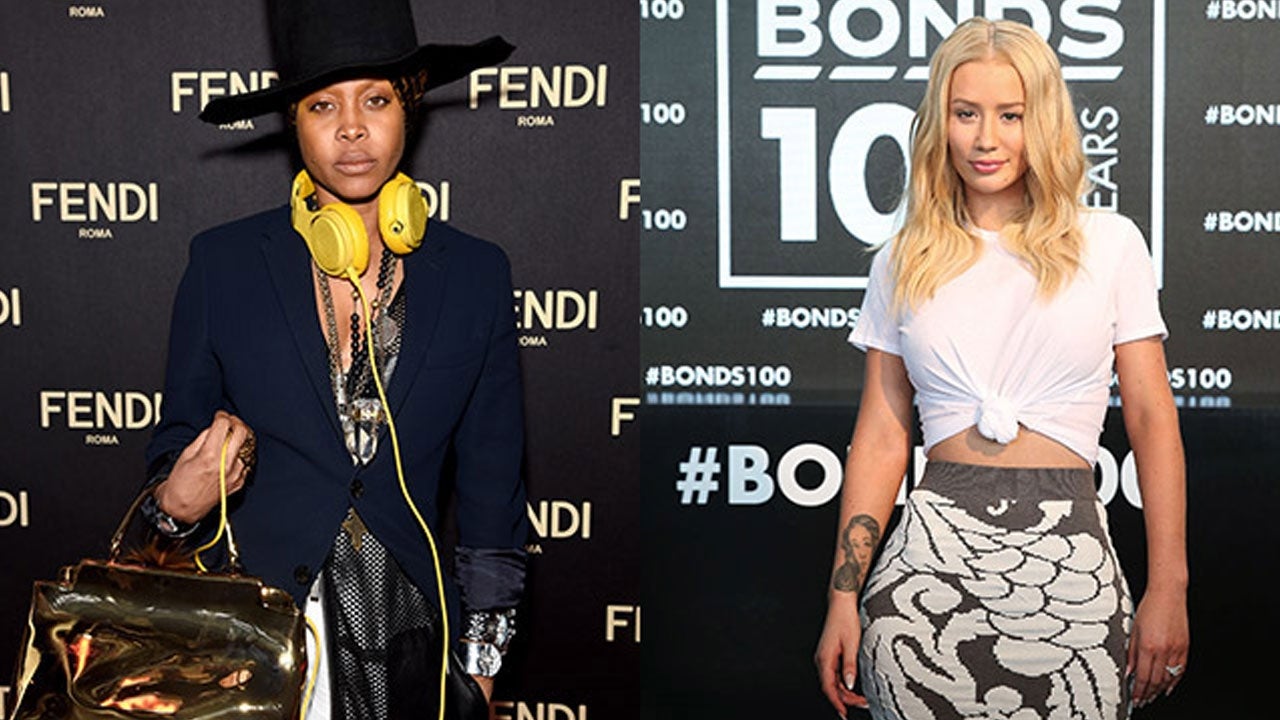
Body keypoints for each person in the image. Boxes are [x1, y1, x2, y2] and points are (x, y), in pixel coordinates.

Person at [141, 1, 528, 718]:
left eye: (376, 99)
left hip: (411, 644)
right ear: (295, 120)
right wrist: (175, 504)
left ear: (409, 108)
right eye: (324, 104)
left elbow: (492, 494)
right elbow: (174, 458)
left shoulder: (476, 274)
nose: (352, 127)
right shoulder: (223, 265)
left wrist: (480, 668)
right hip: (252, 648)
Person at [814, 18, 1188, 720]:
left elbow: (1151, 419)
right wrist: (843, 597)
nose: (986, 138)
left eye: (1010, 115)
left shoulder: (1110, 244)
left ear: (1041, 120)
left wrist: (1169, 587)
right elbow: (883, 436)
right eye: (966, 114)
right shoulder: (902, 258)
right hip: (920, 588)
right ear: (940, 123)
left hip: (1074, 579)